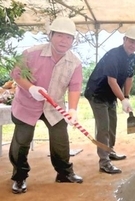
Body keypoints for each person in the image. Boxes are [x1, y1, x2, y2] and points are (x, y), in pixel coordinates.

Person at [9, 16, 83, 194]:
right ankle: (19, 177)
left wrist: (72, 109)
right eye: (60, 35)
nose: (64, 41)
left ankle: (64, 173)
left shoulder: (75, 63)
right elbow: (16, 73)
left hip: (54, 106)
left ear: (73, 40)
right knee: (22, 141)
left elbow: (74, 87)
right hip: (27, 104)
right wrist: (31, 88)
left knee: (61, 140)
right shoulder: (31, 53)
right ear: (51, 35)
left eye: (68, 37)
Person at [84, 25, 135, 174]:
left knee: (112, 125)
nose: (133, 45)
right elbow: (112, 80)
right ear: (124, 39)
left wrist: (127, 97)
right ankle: (104, 162)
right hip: (97, 93)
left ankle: (110, 151)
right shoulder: (113, 55)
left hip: (111, 94)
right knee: (103, 127)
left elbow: (129, 78)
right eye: (131, 41)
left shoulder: (133, 58)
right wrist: (122, 99)